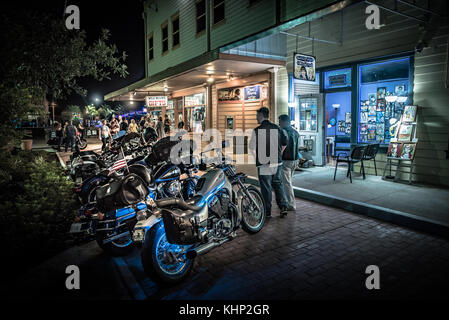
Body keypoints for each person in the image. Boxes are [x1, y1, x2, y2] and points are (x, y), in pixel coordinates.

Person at [249, 107, 289, 217]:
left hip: (264, 164)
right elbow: (284, 143)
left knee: (266, 188)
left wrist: (257, 159)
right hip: (277, 161)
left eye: (257, 116)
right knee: (278, 184)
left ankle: (267, 211)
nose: (256, 118)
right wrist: (279, 154)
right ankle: (283, 207)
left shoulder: (257, 130)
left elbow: (252, 148)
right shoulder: (277, 128)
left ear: (261, 116)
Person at [279, 114, 301, 212]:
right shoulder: (296, 132)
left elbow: (282, 147)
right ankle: (286, 201)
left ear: (284, 122)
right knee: (288, 182)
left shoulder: (283, 132)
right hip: (294, 160)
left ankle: (291, 204)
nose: (279, 123)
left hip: (286, 161)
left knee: (287, 183)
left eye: (280, 121)